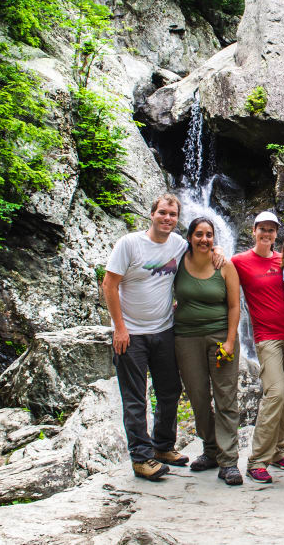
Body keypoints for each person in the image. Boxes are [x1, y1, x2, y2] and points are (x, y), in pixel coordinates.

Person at [102, 194, 194, 480]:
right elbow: (109, 285)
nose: (168, 218)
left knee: (169, 391)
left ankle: (163, 447)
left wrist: (216, 252)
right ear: (152, 214)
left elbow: (202, 253)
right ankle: (141, 458)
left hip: (164, 330)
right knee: (135, 397)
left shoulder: (179, 245)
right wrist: (119, 327)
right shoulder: (129, 244)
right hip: (132, 334)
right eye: (163, 213)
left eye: (173, 215)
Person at [173, 217, 243, 486]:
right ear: (190, 237)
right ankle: (211, 449)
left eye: (209, 235)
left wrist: (229, 340)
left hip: (220, 338)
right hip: (186, 338)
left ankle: (229, 461)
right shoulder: (178, 262)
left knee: (226, 397)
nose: (205, 239)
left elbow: (235, 306)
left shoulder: (225, 265)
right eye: (199, 234)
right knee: (198, 397)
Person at [231, 211, 284, 484]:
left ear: (276, 234)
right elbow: (219, 275)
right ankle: (257, 459)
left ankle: (280, 449)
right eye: (263, 229)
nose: (267, 234)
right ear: (254, 230)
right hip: (266, 337)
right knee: (275, 393)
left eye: (272, 230)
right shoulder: (240, 262)